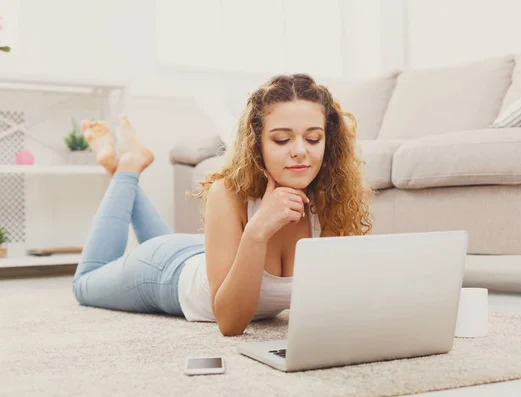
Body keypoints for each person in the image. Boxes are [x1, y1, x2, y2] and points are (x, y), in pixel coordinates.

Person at [72, 74, 373, 336]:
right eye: (282, 140)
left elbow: (330, 305)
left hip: (204, 254)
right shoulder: (228, 192)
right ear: (257, 143)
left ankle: (121, 171)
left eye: (313, 138)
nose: (300, 152)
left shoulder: (331, 199)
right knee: (85, 284)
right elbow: (230, 323)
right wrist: (256, 231)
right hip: (165, 272)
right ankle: (127, 166)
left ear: (328, 142)